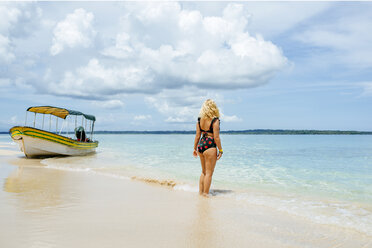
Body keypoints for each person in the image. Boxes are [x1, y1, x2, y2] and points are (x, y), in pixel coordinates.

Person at [193, 99, 223, 196]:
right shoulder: (215, 120)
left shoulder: (199, 120)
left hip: (201, 145)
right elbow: (217, 138)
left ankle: (200, 193)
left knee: (203, 172)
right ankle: (206, 195)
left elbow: (197, 136)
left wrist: (194, 148)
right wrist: (221, 150)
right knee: (209, 173)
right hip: (210, 145)